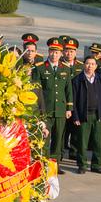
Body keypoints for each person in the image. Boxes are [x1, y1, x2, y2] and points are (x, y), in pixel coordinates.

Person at [33, 38, 73, 169]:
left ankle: (55, 166)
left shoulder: (65, 68)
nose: (54, 55)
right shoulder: (39, 68)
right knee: (44, 138)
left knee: (58, 139)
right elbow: (36, 91)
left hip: (60, 110)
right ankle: (43, 164)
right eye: (52, 51)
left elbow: (68, 89)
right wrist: (38, 109)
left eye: (57, 52)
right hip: (46, 110)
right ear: (48, 52)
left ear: (61, 54)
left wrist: (69, 108)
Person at [70, 56, 101, 174]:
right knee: (82, 142)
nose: (90, 66)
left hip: (98, 115)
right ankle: (82, 165)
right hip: (84, 116)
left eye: (92, 64)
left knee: (98, 142)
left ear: (96, 66)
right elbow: (73, 101)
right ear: (84, 65)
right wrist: (75, 116)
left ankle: (96, 165)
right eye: (87, 63)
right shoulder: (77, 80)